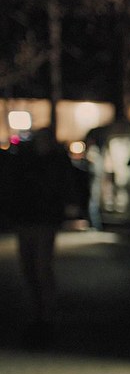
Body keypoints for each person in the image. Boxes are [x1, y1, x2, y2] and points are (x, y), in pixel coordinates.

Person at [6, 127, 77, 346]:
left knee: (41, 267)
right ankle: (38, 313)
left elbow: (64, 185)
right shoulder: (29, 161)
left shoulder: (54, 161)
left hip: (43, 220)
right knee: (30, 267)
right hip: (29, 218)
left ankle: (46, 316)